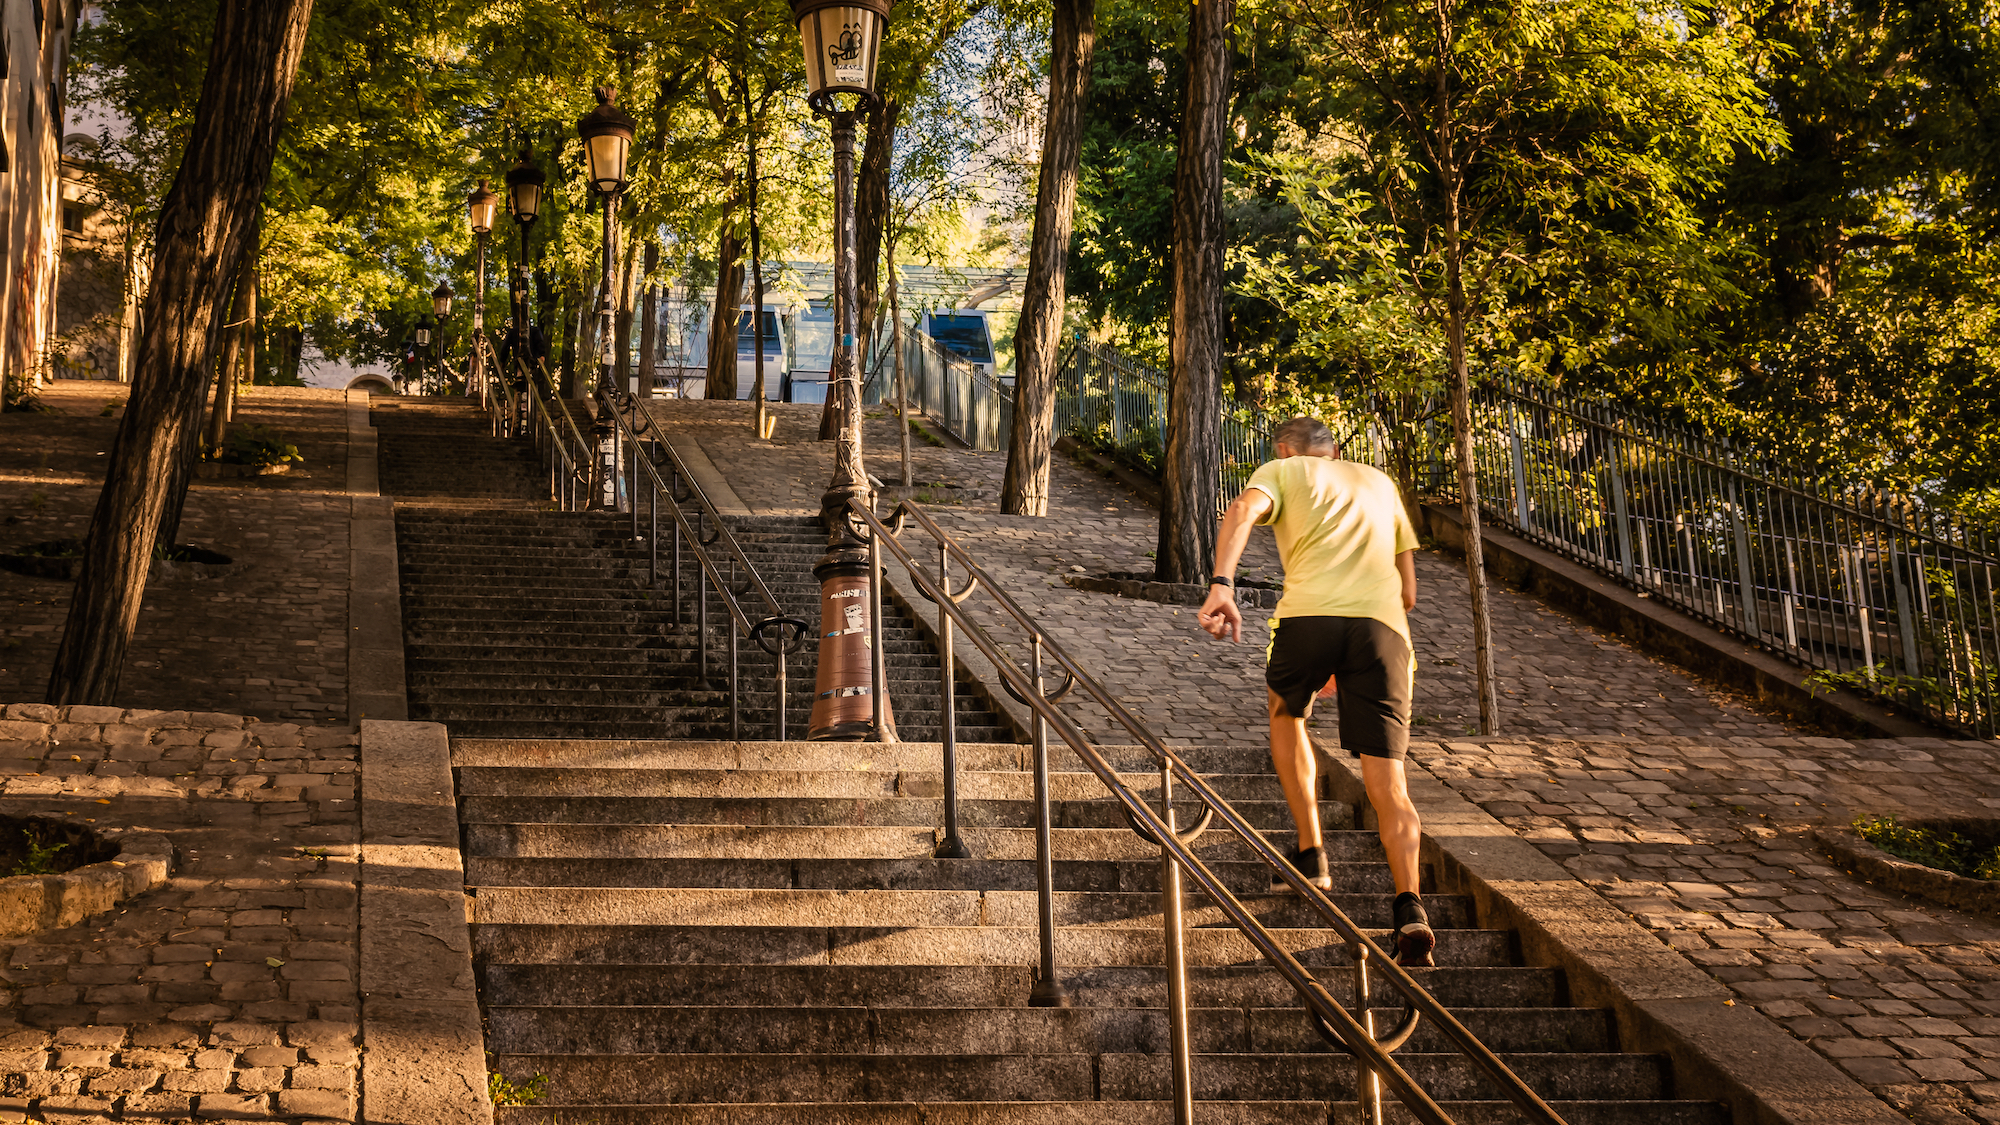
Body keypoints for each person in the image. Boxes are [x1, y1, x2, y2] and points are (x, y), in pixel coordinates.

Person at [1196, 415, 1434, 968]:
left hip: (1308, 619)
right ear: (1334, 449)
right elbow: (1410, 592)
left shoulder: (1282, 470)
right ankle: (1410, 905)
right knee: (1390, 784)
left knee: (1286, 713)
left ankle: (1312, 852)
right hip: (1382, 631)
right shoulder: (1380, 483)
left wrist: (1222, 585)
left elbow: (1242, 511)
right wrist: (1351, 657)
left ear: (1286, 449)